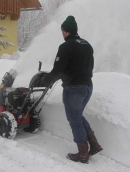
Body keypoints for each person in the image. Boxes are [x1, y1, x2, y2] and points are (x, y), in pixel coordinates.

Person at [42, 15, 103, 163]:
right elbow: (90, 66)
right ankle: (94, 144)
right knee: (78, 116)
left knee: (74, 120)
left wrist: (45, 81)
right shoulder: (87, 45)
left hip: (74, 89)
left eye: (62, 31)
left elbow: (58, 70)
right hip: (88, 87)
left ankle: (83, 154)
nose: (62, 33)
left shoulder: (66, 46)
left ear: (66, 31)